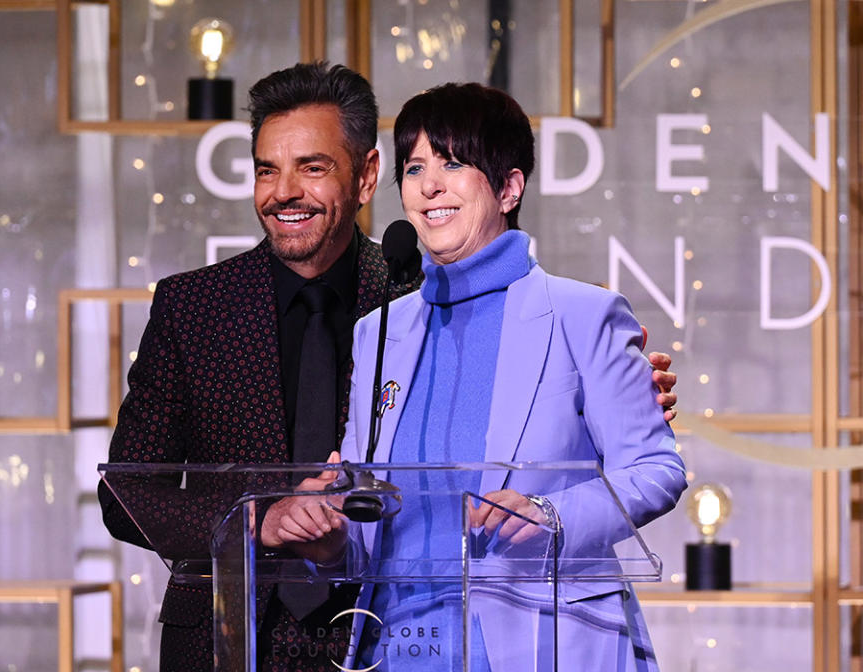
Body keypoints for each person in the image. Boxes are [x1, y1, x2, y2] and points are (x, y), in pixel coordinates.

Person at [100, 63, 679, 672]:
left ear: (365, 177)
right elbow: (127, 490)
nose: (284, 191)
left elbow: (633, 455)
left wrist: (622, 402)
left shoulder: (407, 289)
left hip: (447, 637)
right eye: (267, 169)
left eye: (313, 167)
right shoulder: (204, 308)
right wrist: (263, 523)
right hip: (246, 634)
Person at [274, 82, 687, 672]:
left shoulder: (583, 313)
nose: (429, 184)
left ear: (510, 187)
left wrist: (551, 514)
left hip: (545, 642)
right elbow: (372, 518)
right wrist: (330, 536)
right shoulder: (381, 331)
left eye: (454, 162)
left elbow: (656, 470)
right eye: (414, 167)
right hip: (398, 648)